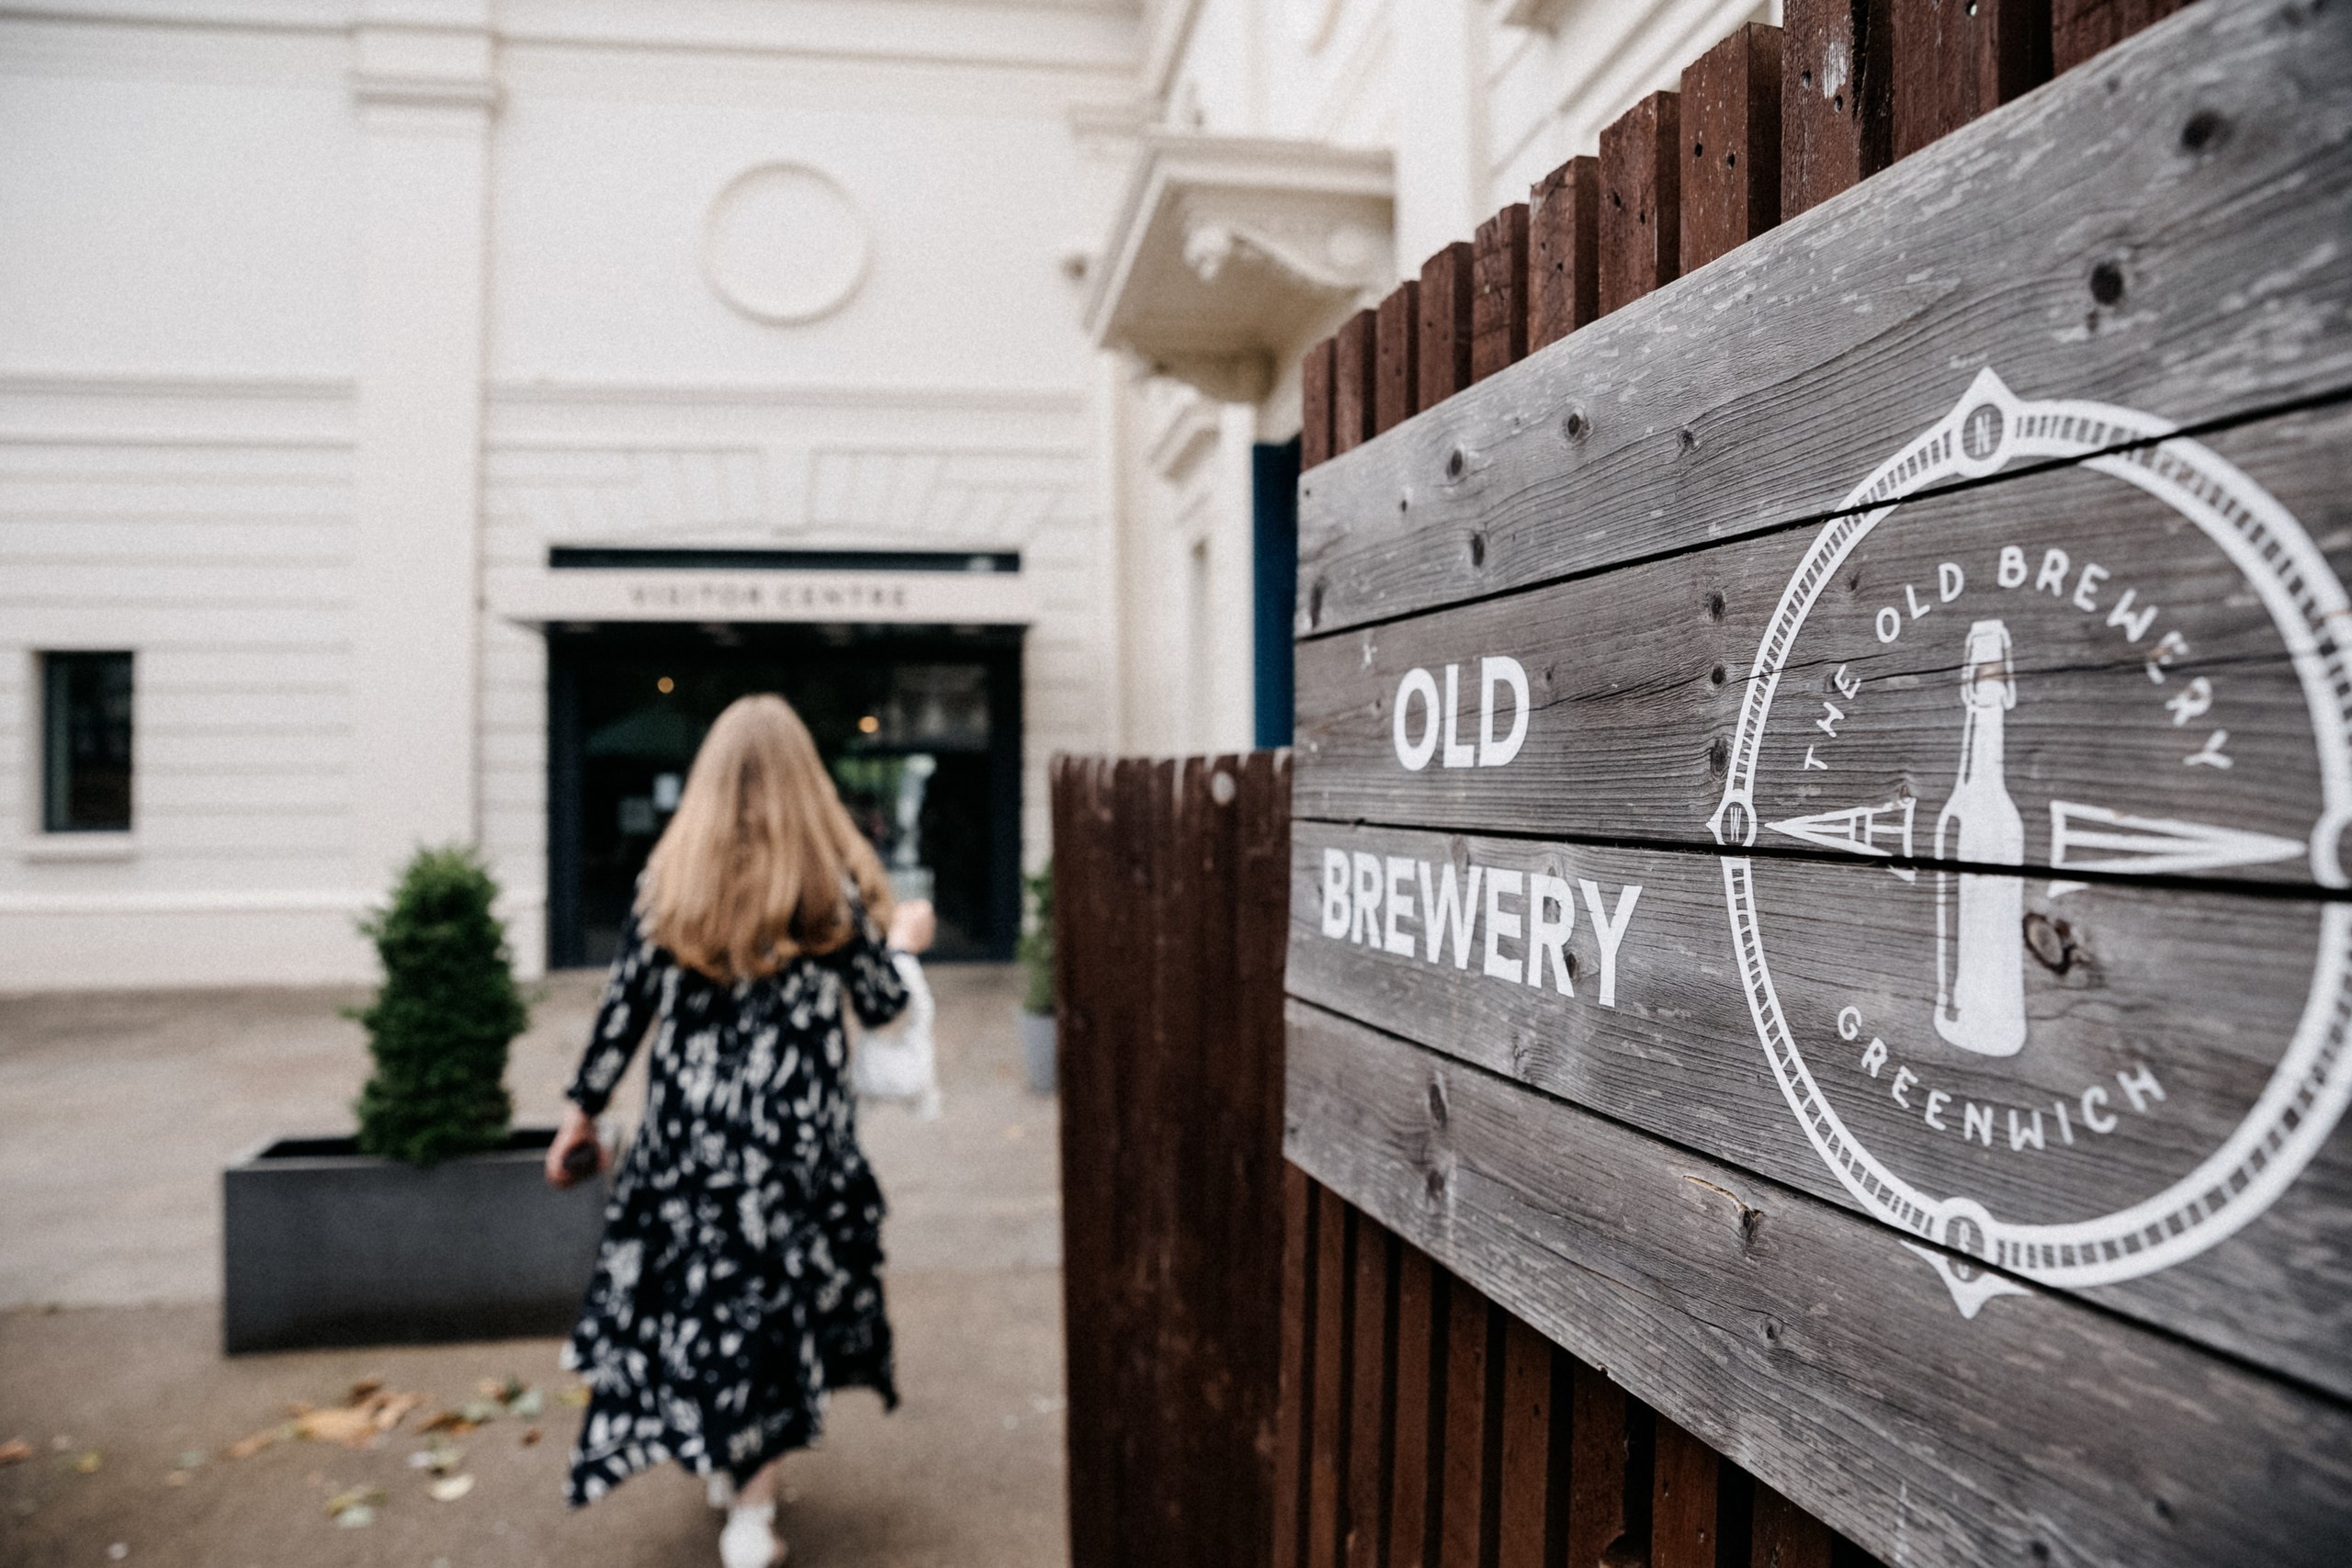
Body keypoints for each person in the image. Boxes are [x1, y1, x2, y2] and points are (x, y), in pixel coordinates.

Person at [546, 693, 935, 1568]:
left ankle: (733, 1474)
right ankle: (751, 1513)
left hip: (689, 1145)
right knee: (772, 1313)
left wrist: (580, 1112)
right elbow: (883, 1007)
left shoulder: (670, 880)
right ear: (807, 781)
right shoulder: (824, 890)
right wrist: (904, 937)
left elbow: (623, 1012)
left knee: (708, 1305)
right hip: (797, 1151)